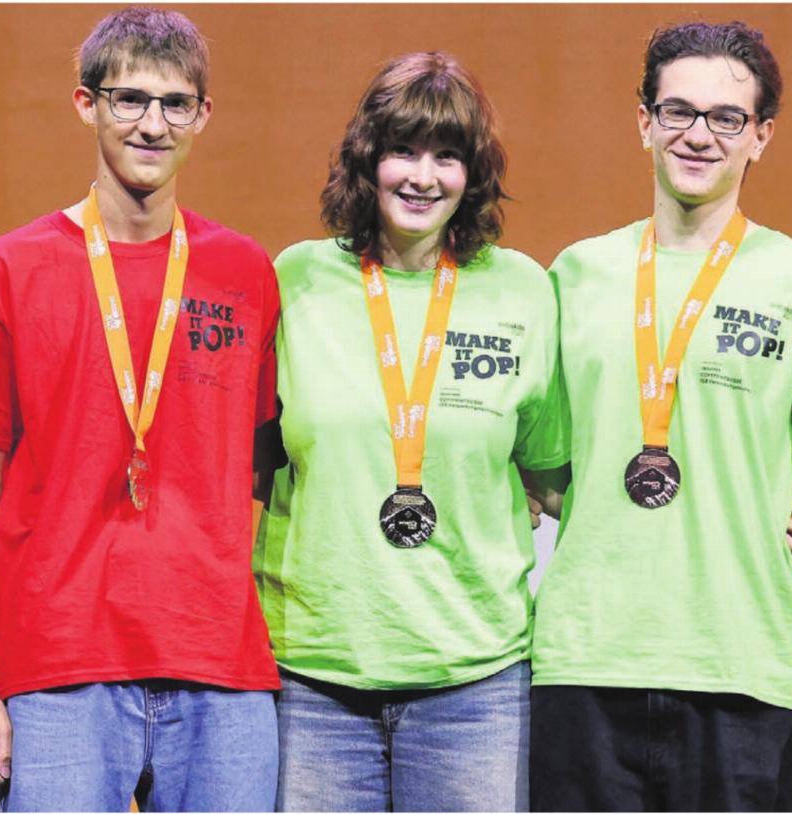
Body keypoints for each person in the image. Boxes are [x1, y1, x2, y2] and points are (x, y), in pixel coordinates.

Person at [527, 21, 792, 812]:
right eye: (678, 111)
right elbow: (542, 473)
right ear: (644, 121)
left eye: (727, 118)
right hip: (582, 668)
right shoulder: (574, 276)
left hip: (745, 676)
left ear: (761, 135)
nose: (699, 135)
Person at [0, 8, 280, 811]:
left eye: (175, 103)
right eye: (130, 99)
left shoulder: (244, 273)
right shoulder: (8, 271)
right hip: (58, 671)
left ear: (203, 115)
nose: (152, 125)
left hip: (221, 672)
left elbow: (266, 475)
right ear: (86, 103)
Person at [252, 51, 569, 812]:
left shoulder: (522, 290)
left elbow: (556, 478)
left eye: (447, 156)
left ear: (473, 173)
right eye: (403, 150)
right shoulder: (295, 281)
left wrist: (735, 522)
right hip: (312, 683)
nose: (423, 177)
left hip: (476, 686)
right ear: (368, 160)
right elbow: (245, 464)